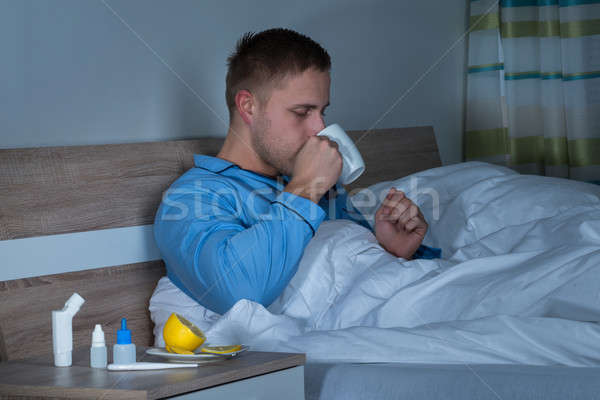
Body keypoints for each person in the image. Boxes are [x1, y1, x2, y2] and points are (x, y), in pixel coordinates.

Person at [154, 28, 440, 316]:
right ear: (248, 106)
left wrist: (391, 249)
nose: (319, 128)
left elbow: (355, 279)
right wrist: (305, 188)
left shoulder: (319, 183)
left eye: (322, 111)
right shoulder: (192, 197)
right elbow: (242, 294)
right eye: (303, 112)